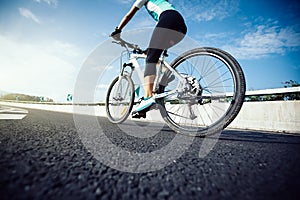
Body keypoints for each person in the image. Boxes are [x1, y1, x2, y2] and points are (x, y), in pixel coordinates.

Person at [111, 0, 187, 118]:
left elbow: (129, 14)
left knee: (150, 59)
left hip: (168, 19)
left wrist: (118, 30)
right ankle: (165, 76)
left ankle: (147, 97)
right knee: (153, 53)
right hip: (181, 27)